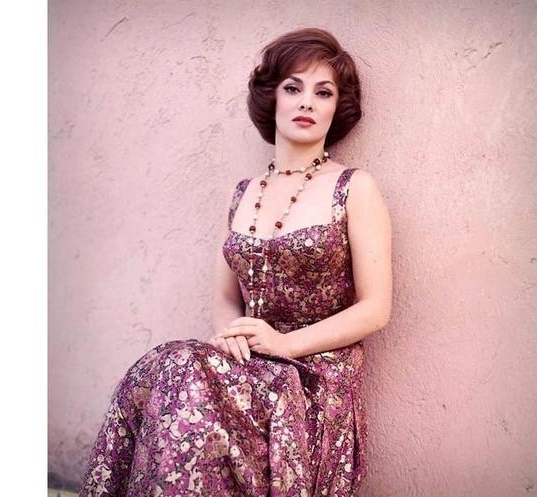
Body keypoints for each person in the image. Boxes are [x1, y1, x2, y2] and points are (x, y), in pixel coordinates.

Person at [79, 27, 392, 497]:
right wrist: (234, 339)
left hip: (315, 378)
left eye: (323, 92)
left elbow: (376, 308)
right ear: (272, 99)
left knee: (185, 373)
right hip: (248, 367)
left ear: (337, 108)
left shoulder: (354, 187)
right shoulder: (242, 193)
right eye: (293, 88)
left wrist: (284, 344)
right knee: (170, 366)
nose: (307, 102)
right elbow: (226, 299)